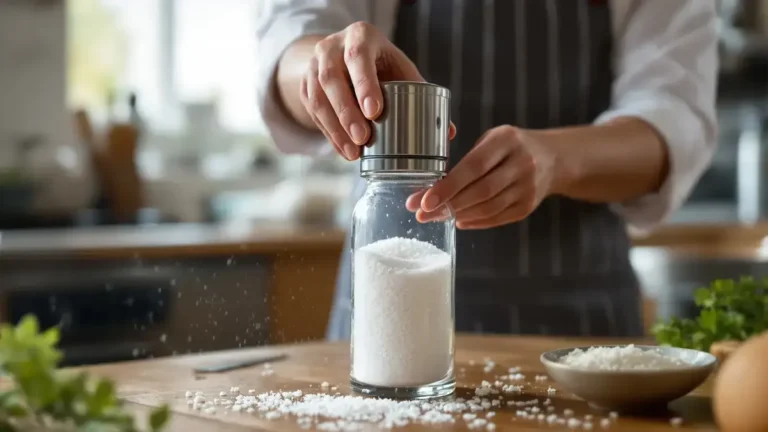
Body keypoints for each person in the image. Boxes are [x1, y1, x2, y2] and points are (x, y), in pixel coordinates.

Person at [255, 0, 718, 339]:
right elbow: (289, 41)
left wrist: (556, 160)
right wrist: (324, 69)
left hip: (583, 316)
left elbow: (674, 118)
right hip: (384, 318)